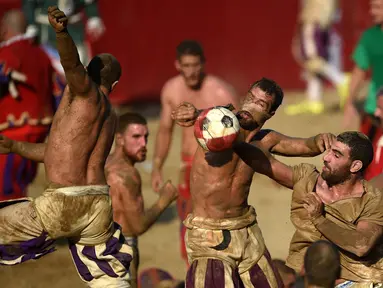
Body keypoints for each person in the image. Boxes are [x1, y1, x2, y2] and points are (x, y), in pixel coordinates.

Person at [0, 6, 132, 287]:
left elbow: (71, 65)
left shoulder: (85, 93)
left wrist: (61, 33)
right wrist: (14, 146)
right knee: (107, 279)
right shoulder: (110, 115)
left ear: (87, 76)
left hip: (63, 202)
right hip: (98, 206)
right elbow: (57, 154)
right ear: (116, 84)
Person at [171, 77, 336, 287]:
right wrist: (194, 113)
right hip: (209, 235)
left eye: (260, 104)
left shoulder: (266, 140)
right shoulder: (217, 126)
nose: (250, 105)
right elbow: (208, 117)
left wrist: (321, 139)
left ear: (270, 113)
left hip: (246, 231)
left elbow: (305, 146)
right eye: (250, 97)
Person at [233, 131, 383, 286]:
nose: (326, 158)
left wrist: (319, 219)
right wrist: (232, 140)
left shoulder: (371, 200)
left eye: (336, 155)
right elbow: (264, 162)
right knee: (275, 270)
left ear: (355, 166)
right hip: (307, 278)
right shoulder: (307, 179)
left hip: (353, 281)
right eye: (329, 150)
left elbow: (361, 245)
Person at [151, 39, 239, 265]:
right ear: (177, 65)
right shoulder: (171, 89)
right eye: (186, 65)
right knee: (188, 222)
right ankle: (194, 270)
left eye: (195, 65)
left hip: (217, 165)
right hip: (188, 164)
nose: (191, 71)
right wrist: (157, 166)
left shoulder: (220, 91)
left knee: (216, 224)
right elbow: (164, 130)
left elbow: (245, 128)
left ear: (204, 64)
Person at [105, 112, 178, 288]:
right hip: (121, 251)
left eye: (146, 137)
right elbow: (137, 226)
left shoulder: (105, 164)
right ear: (120, 139)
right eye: (136, 137)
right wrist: (164, 201)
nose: (144, 144)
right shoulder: (126, 175)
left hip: (101, 249)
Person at [0, 10, 57, 201]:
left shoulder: (7, 53)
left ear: (4, 30)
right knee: (19, 186)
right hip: (39, 132)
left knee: (6, 192)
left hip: (12, 132)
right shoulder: (41, 53)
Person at [286, 0, 349, 115]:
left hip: (314, 16)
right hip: (321, 16)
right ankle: (314, 100)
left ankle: (342, 80)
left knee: (311, 57)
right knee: (315, 58)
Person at [343, 0, 383, 133]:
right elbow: (359, 71)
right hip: (374, 110)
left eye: (377, 7)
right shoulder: (369, 37)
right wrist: (349, 103)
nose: (372, 12)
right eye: (371, 7)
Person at [23, 0, 105, 65]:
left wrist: (93, 15)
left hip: (73, 30)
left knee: (80, 64)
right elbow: (29, 3)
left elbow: (88, 1)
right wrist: (31, 24)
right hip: (47, 33)